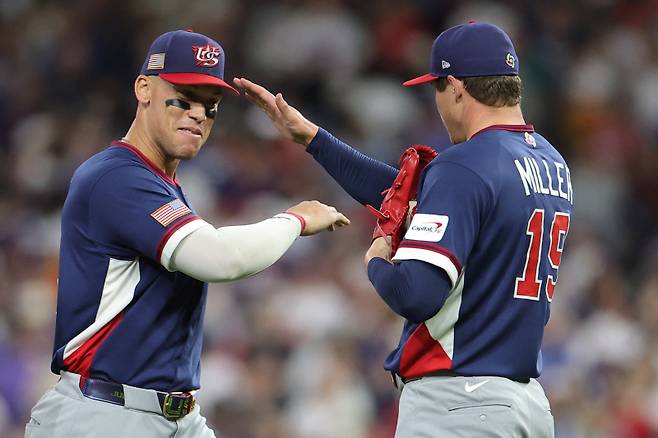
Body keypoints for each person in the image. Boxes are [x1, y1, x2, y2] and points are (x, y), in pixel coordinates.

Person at [235, 21, 573, 438]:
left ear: (456, 87)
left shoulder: (465, 164)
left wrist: (376, 259)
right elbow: (421, 197)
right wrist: (312, 138)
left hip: (460, 404)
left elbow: (415, 291)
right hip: (525, 407)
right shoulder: (552, 163)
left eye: (436, 88)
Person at [25, 29, 349, 438]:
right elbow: (220, 258)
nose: (198, 114)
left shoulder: (162, 185)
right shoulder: (117, 176)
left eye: (210, 106)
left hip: (171, 414)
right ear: (144, 89)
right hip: (105, 414)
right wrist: (295, 219)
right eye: (183, 98)